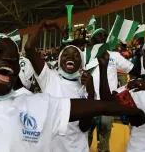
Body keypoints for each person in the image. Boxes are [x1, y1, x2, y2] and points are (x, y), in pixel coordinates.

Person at [0, 1, 145, 152]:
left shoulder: (34, 104)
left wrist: (130, 111)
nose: (9, 59)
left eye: (14, 57)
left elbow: (91, 107)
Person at [25, 20, 95, 152]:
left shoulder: (86, 86)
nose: (71, 58)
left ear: (81, 62)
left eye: (76, 56)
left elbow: (85, 127)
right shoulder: (49, 77)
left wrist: (91, 93)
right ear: (59, 60)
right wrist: (42, 25)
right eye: (66, 55)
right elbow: (29, 48)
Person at [87, 28, 140, 152]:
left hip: (107, 104)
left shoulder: (114, 56)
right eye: (100, 35)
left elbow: (134, 72)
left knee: (104, 140)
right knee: (85, 137)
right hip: (89, 103)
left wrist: (121, 90)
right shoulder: (86, 56)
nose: (104, 37)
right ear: (93, 40)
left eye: (105, 35)